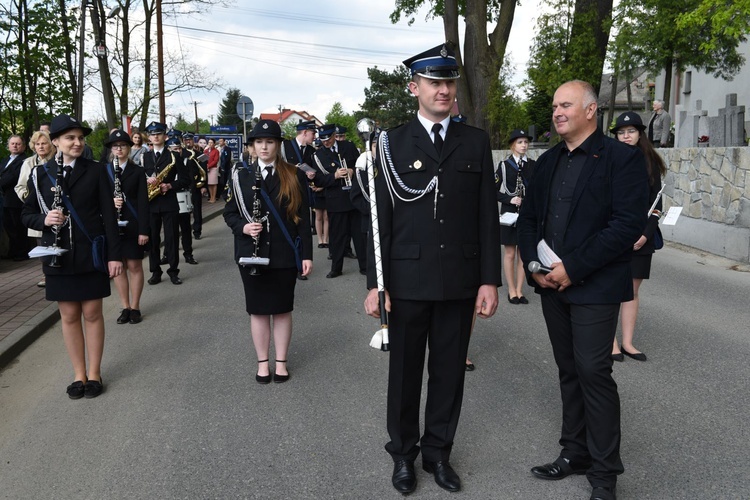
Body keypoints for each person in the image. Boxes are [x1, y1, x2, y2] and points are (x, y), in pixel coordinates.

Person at [363, 44, 502, 494]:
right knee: (404, 373)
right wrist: (375, 285)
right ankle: (403, 455)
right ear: (414, 87)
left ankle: (438, 454)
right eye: (434, 82)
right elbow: (378, 221)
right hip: (406, 280)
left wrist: (489, 279)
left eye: (449, 82)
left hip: (459, 281)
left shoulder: (475, 142)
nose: (443, 90)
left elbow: (486, 216)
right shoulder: (391, 143)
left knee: (448, 372)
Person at [516, 81, 649, 500]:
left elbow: (626, 226)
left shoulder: (622, 160)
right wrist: (533, 267)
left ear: (590, 110)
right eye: (554, 105)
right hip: (549, 284)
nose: (556, 112)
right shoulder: (547, 161)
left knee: (594, 371)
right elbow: (529, 220)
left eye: (565, 105)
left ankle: (605, 475)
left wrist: (572, 268)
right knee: (569, 369)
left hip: (593, 284)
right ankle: (574, 453)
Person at [21, 114, 123, 399]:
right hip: (58, 256)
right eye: (70, 138)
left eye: (80, 137)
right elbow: (25, 215)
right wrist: (44, 219)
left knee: (92, 313)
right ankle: (78, 374)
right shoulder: (39, 174)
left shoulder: (97, 169)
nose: (77, 142)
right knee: (68, 316)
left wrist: (114, 256)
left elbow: (110, 218)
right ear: (55, 142)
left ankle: (95, 373)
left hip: (90, 253)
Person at [223, 120, 313, 384]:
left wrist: (306, 254)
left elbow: (302, 218)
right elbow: (229, 213)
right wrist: (243, 227)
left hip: (284, 252)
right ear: (252, 146)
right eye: (259, 142)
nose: (264, 146)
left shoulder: (294, 174)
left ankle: (281, 362)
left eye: (270, 141)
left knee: (283, 310)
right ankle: (263, 362)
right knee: (259, 310)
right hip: (251, 253)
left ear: (278, 145)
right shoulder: (240, 176)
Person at [609, 111, 666, 362]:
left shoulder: (650, 163)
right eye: (621, 132)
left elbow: (657, 204)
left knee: (631, 290)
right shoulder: (608, 160)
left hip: (641, 237)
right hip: (613, 235)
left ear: (639, 134)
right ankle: (609, 343)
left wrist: (645, 234)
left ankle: (628, 342)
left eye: (630, 131)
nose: (625, 136)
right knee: (610, 288)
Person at [105, 130, 150, 325]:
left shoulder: (138, 171)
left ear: (128, 148)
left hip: (132, 224)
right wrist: (110, 202)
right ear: (111, 149)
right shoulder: (104, 171)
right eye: (115, 146)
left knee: (134, 265)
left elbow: (143, 202)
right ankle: (124, 306)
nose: (119, 149)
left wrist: (144, 230)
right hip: (112, 225)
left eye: (123, 145)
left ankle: (135, 306)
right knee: (118, 267)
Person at [310, 124, 363, 278]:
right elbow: (318, 180)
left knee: (359, 235)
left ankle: (365, 266)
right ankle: (336, 268)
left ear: (334, 135)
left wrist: (352, 170)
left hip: (353, 197)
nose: (326, 142)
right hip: (335, 200)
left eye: (328, 138)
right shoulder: (318, 156)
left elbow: (361, 166)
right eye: (323, 139)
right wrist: (334, 176)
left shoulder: (348, 146)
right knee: (337, 237)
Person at [143, 121, 189, 285]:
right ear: (149, 137)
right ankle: (155, 271)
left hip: (169, 201)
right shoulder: (144, 157)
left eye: (158, 133)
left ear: (165, 136)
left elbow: (185, 180)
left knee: (171, 238)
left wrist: (169, 185)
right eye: (152, 134)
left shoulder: (174, 156)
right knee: (153, 239)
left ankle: (173, 271)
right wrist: (147, 180)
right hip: (151, 203)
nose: (155, 136)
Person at [496, 129, 536, 305]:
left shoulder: (533, 165)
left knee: (523, 253)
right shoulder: (504, 166)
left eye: (526, 142)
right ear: (513, 145)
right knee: (510, 253)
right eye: (520, 142)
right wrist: (510, 198)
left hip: (527, 213)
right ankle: (511, 290)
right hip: (509, 213)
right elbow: (492, 190)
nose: (524, 145)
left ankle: (520, 290)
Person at [15, 130, 56, 287]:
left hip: (57, 209)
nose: (40, 146)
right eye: (37, 144)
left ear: (51, 144)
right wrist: (32, 200)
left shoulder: (58, 160)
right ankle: (47, 274)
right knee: (42, 242)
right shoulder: (28, 163)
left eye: (44, 143)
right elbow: (20, 186)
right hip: (38, 211)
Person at [1, 134, 31, 260]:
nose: (15, 146)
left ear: (23, 146)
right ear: (8, 146)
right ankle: (13, 251)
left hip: (15, 199)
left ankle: (22, 252)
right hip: (4, 198)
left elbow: (12, 178)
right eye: (12, 143)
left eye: (18, 143)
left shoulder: (24, 161)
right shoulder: (4, 160)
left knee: (18, 226)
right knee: (9, 226)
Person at [183, 133, 207, 240]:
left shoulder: (200, 154)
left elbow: (204, 171)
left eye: (190, 140)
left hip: (196, 185)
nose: (188, 142)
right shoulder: (180, 154)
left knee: (197, 210)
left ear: (193, 141)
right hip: (184, 185)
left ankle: (197, 231)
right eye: (186, 140)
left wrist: (203, 186)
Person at [205, 138, 220, 202]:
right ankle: (211, 197)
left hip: (213, 168)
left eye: (211, 142)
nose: (210, 144)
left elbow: (215, 160)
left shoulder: (216, 151)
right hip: (207, 168)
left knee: (214, 183)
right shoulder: (206, 150)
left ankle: (214, 197)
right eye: (209, 142)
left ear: (214, 143)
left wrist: (209, 165)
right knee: (209, 183)